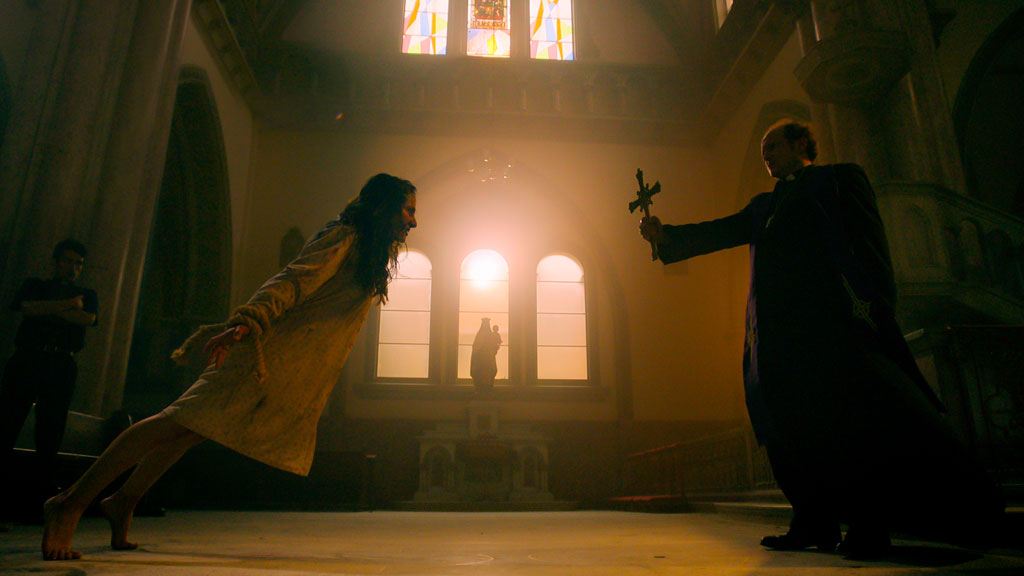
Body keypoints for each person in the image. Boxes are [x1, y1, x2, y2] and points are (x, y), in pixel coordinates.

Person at [639, 120, 1004, 557]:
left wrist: (875, 307)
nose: (766, 155)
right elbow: (721, 230)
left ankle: (869, 525)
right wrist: (667, 236)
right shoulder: (763, 206)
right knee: (789, 431)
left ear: (801, 144)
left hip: (831, 330)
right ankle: (813, 521)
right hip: (777, 341)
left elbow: (870, 242)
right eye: (763, 150)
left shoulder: (838, 180)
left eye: (773, 146)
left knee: (847, 430)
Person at [41, 173, 417, 560]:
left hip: (283, 360)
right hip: (261, 351)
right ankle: (69, 502)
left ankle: (123, 500)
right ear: (382, 206)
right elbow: (293, 280)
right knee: (173, 422)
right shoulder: (345, 237)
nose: (413, 221)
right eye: (407, 210)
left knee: (190, 430)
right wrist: (248, 320)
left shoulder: (370, 250)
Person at [1, 239, 98, 520]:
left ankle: (39, 501)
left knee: (51, 429)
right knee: (8, 422)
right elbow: (28, 308)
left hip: (61, 362)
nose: (73, 268)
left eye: (79, 264)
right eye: (68, 261)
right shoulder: (36, 285)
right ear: (56, 261)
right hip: (28, 358)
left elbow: (88, 319)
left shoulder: (87, 293)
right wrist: (68, 305)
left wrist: (51, 308)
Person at [470, 318, 501, 394]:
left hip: (486, 361)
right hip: (481, 361)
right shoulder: (484, 336)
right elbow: (476, 347)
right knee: (482, 375)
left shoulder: (486, 336)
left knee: (487, 375)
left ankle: (486, 389)